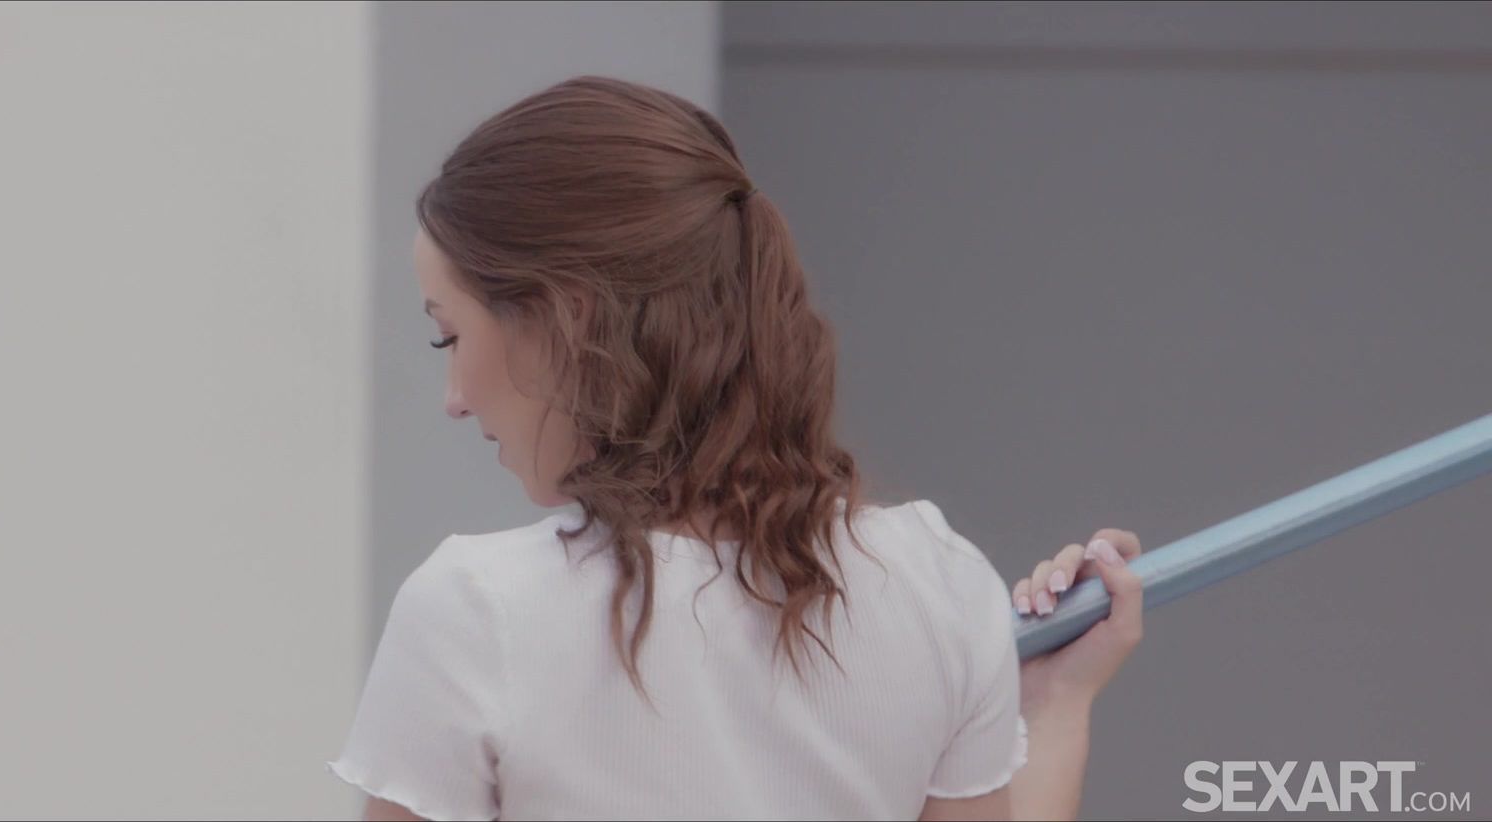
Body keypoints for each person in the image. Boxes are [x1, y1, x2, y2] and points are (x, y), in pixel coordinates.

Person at [329, 76, 1145, 821]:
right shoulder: (938, 587)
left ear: (563, 318)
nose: (454, 399)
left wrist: (1045, 700)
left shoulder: (476, 613)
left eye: (449, 337)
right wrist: (1054, 707)